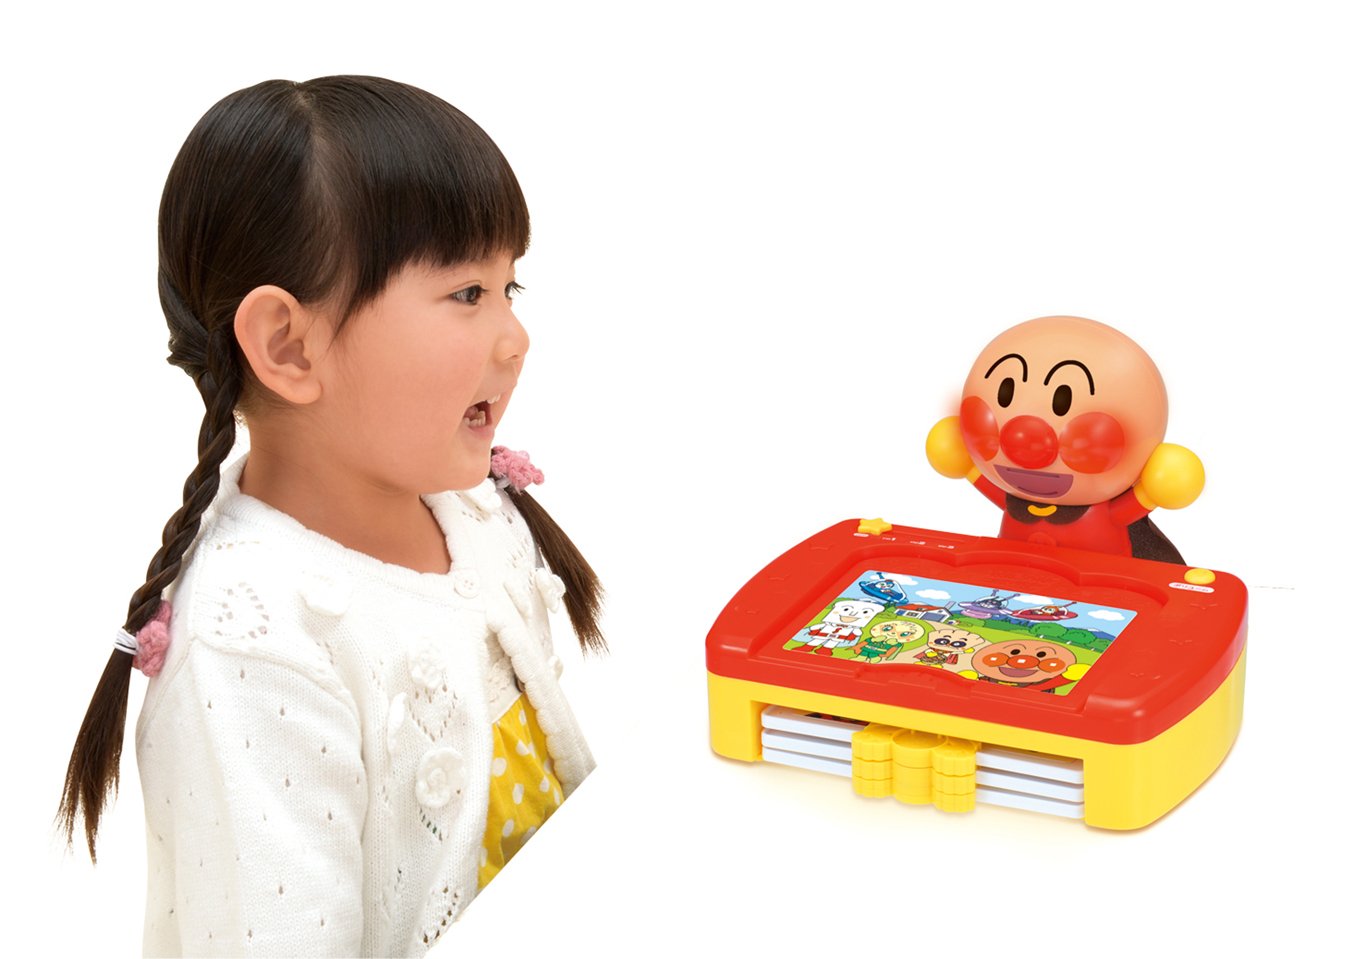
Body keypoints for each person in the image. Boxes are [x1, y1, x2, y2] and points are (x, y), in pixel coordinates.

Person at [57, 76, 604, 956]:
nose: (515, 336)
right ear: (289, 345)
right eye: (468, 292)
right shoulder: (254, 650)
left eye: (512, 286)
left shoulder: (470, 510)